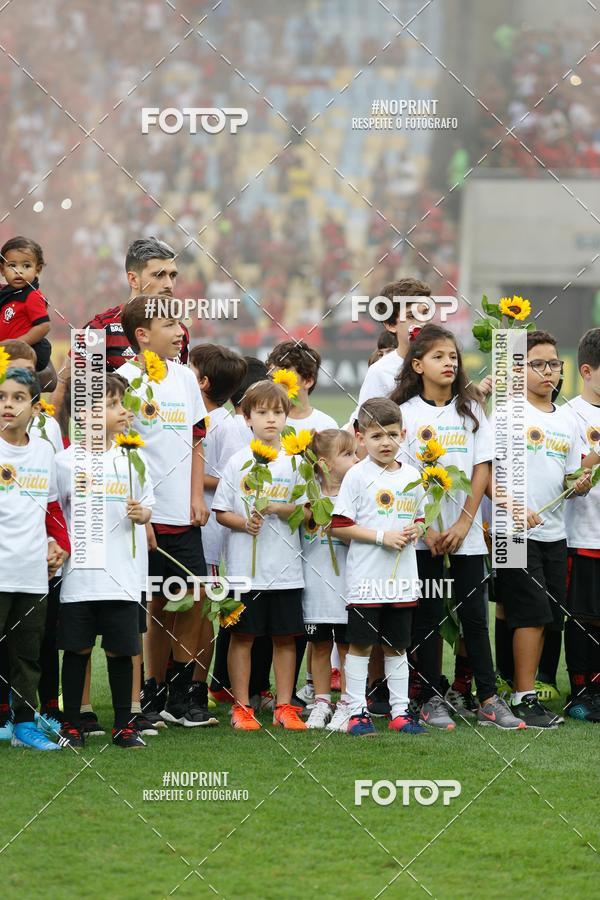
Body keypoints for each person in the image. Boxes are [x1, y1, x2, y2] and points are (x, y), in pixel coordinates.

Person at [391, 324, 526, 731]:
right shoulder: (405, 414)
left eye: (453, 356)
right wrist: (426, 527)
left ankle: (488, 699)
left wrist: (466, 521)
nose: (449, 362)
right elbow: (400, 474)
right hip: (424, 538)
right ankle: (430, 697)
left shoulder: (471, 409)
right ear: (418, 365)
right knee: (428, 616)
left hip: (465, 536)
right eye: (438, 356)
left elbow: (482, 467)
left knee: (474, 617)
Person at [119, 294, 211, 728]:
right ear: (142, 335)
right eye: (170, 325)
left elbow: (196, 440)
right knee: (148, 607)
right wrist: (141, 512)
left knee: (190, 600)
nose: (180, 332)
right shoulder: (122, 381)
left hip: (182, 512)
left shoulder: (185, 377)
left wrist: (196, 496)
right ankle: (146, 695)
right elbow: (119, 453)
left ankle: (180, 693)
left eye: (180, 325)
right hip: (141, 517)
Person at [494, 331, 591, 727]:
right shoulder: (505, 413)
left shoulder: (567, 418)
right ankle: (522, 698)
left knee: (548, 616)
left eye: (554, 363)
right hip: (513, 533)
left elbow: (569, 478)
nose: (548, 371)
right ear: (518, 370)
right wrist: (512, 508)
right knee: (529, 614)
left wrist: (579, 484)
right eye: (537, 364)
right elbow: (484, 474)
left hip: (554, 533)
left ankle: (519, 690)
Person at [55, 374, 154, 748]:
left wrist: (142, 513)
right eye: (110, 405)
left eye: (120, 403)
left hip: (121, 577)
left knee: (120, 651)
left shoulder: (132, 458)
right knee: (76, 650)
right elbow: (53, 512)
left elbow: (148, 506)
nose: (121, 411)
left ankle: (124, 726)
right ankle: (71, 725)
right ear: (83, 414)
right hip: (79, 578)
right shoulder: (64, 462)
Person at [213, 380, 306, 731]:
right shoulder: (237, 462)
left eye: (278, 412)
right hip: (243, 572)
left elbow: (308, 513)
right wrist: (244, 523)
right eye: (262, 412)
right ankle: (241, 706)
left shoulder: (296, 463)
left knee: (285, 638)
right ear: (247, 418)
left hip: (285, 570)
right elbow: (221, 512)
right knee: (242, 637)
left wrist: (278, 508)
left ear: (286, 417)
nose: (271, 419)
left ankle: (285, 706)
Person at [331, 398, 428, 736]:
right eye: (376, 436)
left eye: (391, 435)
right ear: (360, 438)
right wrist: (381, 537)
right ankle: (356, 711)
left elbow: (420, 519)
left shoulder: (413, 476)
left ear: (403, 434)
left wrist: (418, 529)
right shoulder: (357, 476)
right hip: (366, 580)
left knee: (397, 645)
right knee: (360, 645)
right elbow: (339, 526)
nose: (385, 442)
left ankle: (400, 712)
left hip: (402, 581)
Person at [0, 366, 69, 750]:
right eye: (2, 397)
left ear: (35, 406)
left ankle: (24, 725)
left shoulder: (44, 451)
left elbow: (52, 508)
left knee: (27, 653)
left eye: (18, 398)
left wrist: (59, 544)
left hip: (31, 573)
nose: (8, 405)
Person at [301, 429, 357, 730]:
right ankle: (321, 702)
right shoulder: (308, 497)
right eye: (347, 454)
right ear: (324, 463)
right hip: (316, 587)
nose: (355, 459)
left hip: (348, 587)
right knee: (320, 645)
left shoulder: (356, 493)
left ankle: (347, 703)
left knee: (347, 648)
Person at [564, 327, 600, 722]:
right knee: (584, 616)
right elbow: (567, 479)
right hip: (584, 533)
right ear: (586, 371)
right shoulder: (570, 415)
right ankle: (581, 691)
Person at [0, 236, 51, 371]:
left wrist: (17, 344)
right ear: (2, 270)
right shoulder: (5, 292)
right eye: (12, 265)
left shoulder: (32, 296)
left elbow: (44, 326)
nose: (18, 271)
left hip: (23, 353)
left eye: (26, 266)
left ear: (38, 269)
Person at [266, 339, 338, 431]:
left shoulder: (326, 426)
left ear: (308, 381)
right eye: (272, 378)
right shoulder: (260, 422)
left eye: (284, 379)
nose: (276, 385)